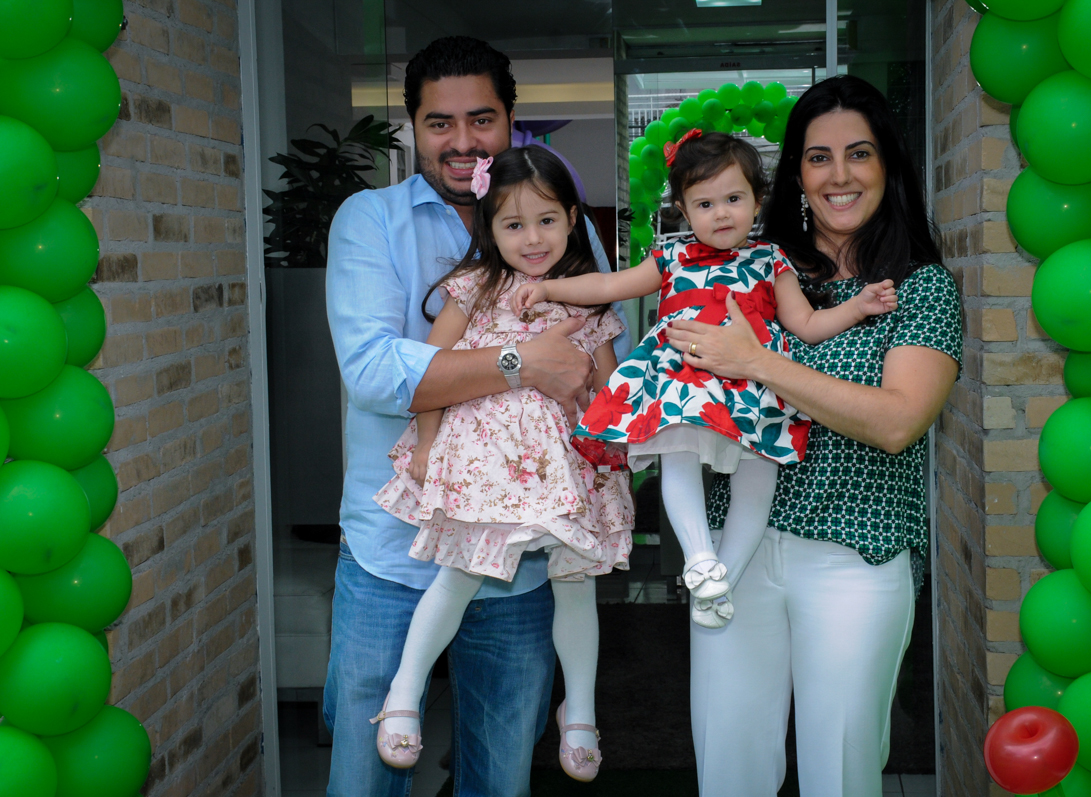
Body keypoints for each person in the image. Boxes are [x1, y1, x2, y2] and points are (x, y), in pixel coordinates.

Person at [323, 36, 627, 797]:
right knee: (365, 778)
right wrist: (523, 364)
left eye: (481, 119)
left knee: (502, 778)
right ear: (413, 127)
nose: (462, 142)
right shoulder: (370, 220)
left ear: (512, 121)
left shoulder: (567, 222)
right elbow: (373, 372)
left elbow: (602, 353)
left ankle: (576, 714)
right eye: (439, 123)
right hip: (393, 556)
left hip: (524, 562)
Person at [663, 76, 963, 797]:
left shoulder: (919, 289)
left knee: (840, 773)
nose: (839, 175)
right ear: (795, 172)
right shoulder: (755, 266)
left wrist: (759, 362)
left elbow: (897, 420)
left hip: (855, 557)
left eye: (858, 154)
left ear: (887, 165)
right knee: (729, 768)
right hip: (739, 549)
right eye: (818, 156)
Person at [512, 131, 898, 629]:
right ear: (683, 210)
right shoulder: (673, 258)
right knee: (676, 454)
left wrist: (856, 307)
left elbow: (806, 325)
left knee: (759, 479)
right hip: (683, 379)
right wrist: (546, 286)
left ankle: (722, 581)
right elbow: (608, 285)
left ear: (757, 201)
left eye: (734, 199)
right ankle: (699, 558)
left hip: (754, 384)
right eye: (705, 203)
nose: (721, 214)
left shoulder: (771, 260)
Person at [370, 146, 633, 783]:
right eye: (512, 224)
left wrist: (614, 449)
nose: (532, 237)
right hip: (487, 468)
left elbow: (603, 393)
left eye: (546, 219)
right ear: (490, 230)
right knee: (459, 575)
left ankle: (581, 710)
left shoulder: (589, 304)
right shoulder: (472, 290)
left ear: (572, 219)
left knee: (575, 584)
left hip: (565, 470)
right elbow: (429, 373)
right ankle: (404, 692)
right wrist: (427, 443)